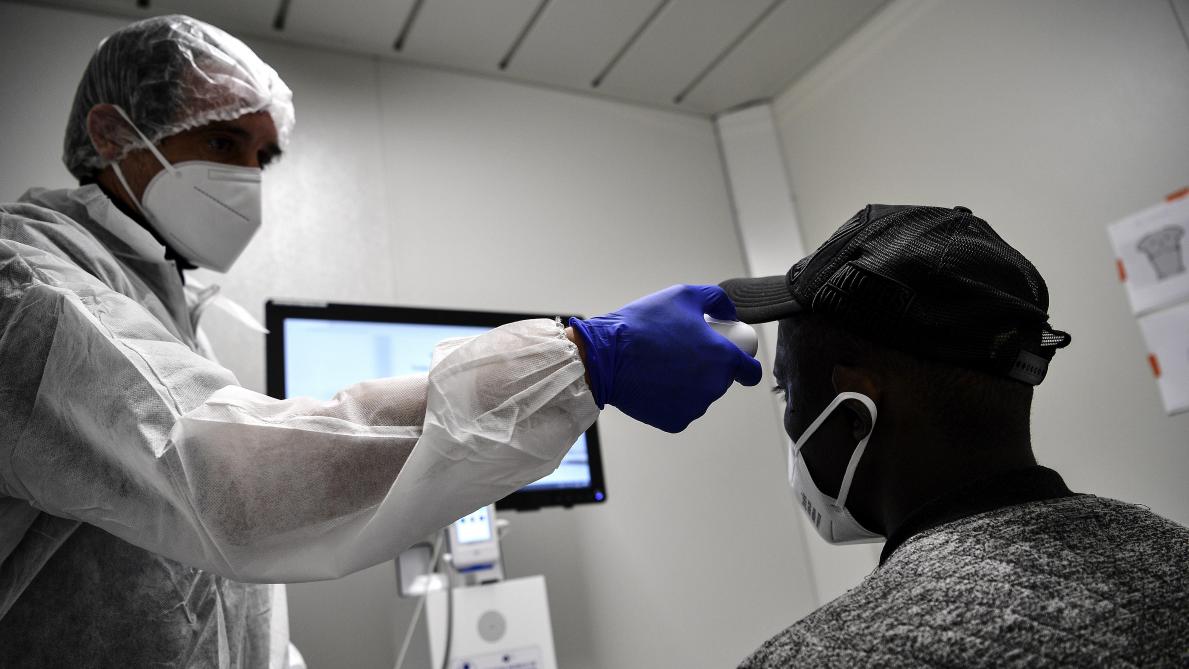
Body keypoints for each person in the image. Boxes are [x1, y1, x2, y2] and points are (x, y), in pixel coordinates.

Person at [0, 15, 761, 667]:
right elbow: (233, 484)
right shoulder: (26, 289)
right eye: (225, 141)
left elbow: (210, 592)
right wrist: (581, 360)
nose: (250, 178)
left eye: (263, 157)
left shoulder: (160, 307)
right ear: (112, 132)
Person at [720, 204, 1189, 668]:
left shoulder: (814, 658)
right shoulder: (1174, 554)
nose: (789, 416)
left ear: (855, 414)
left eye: (786, 391)